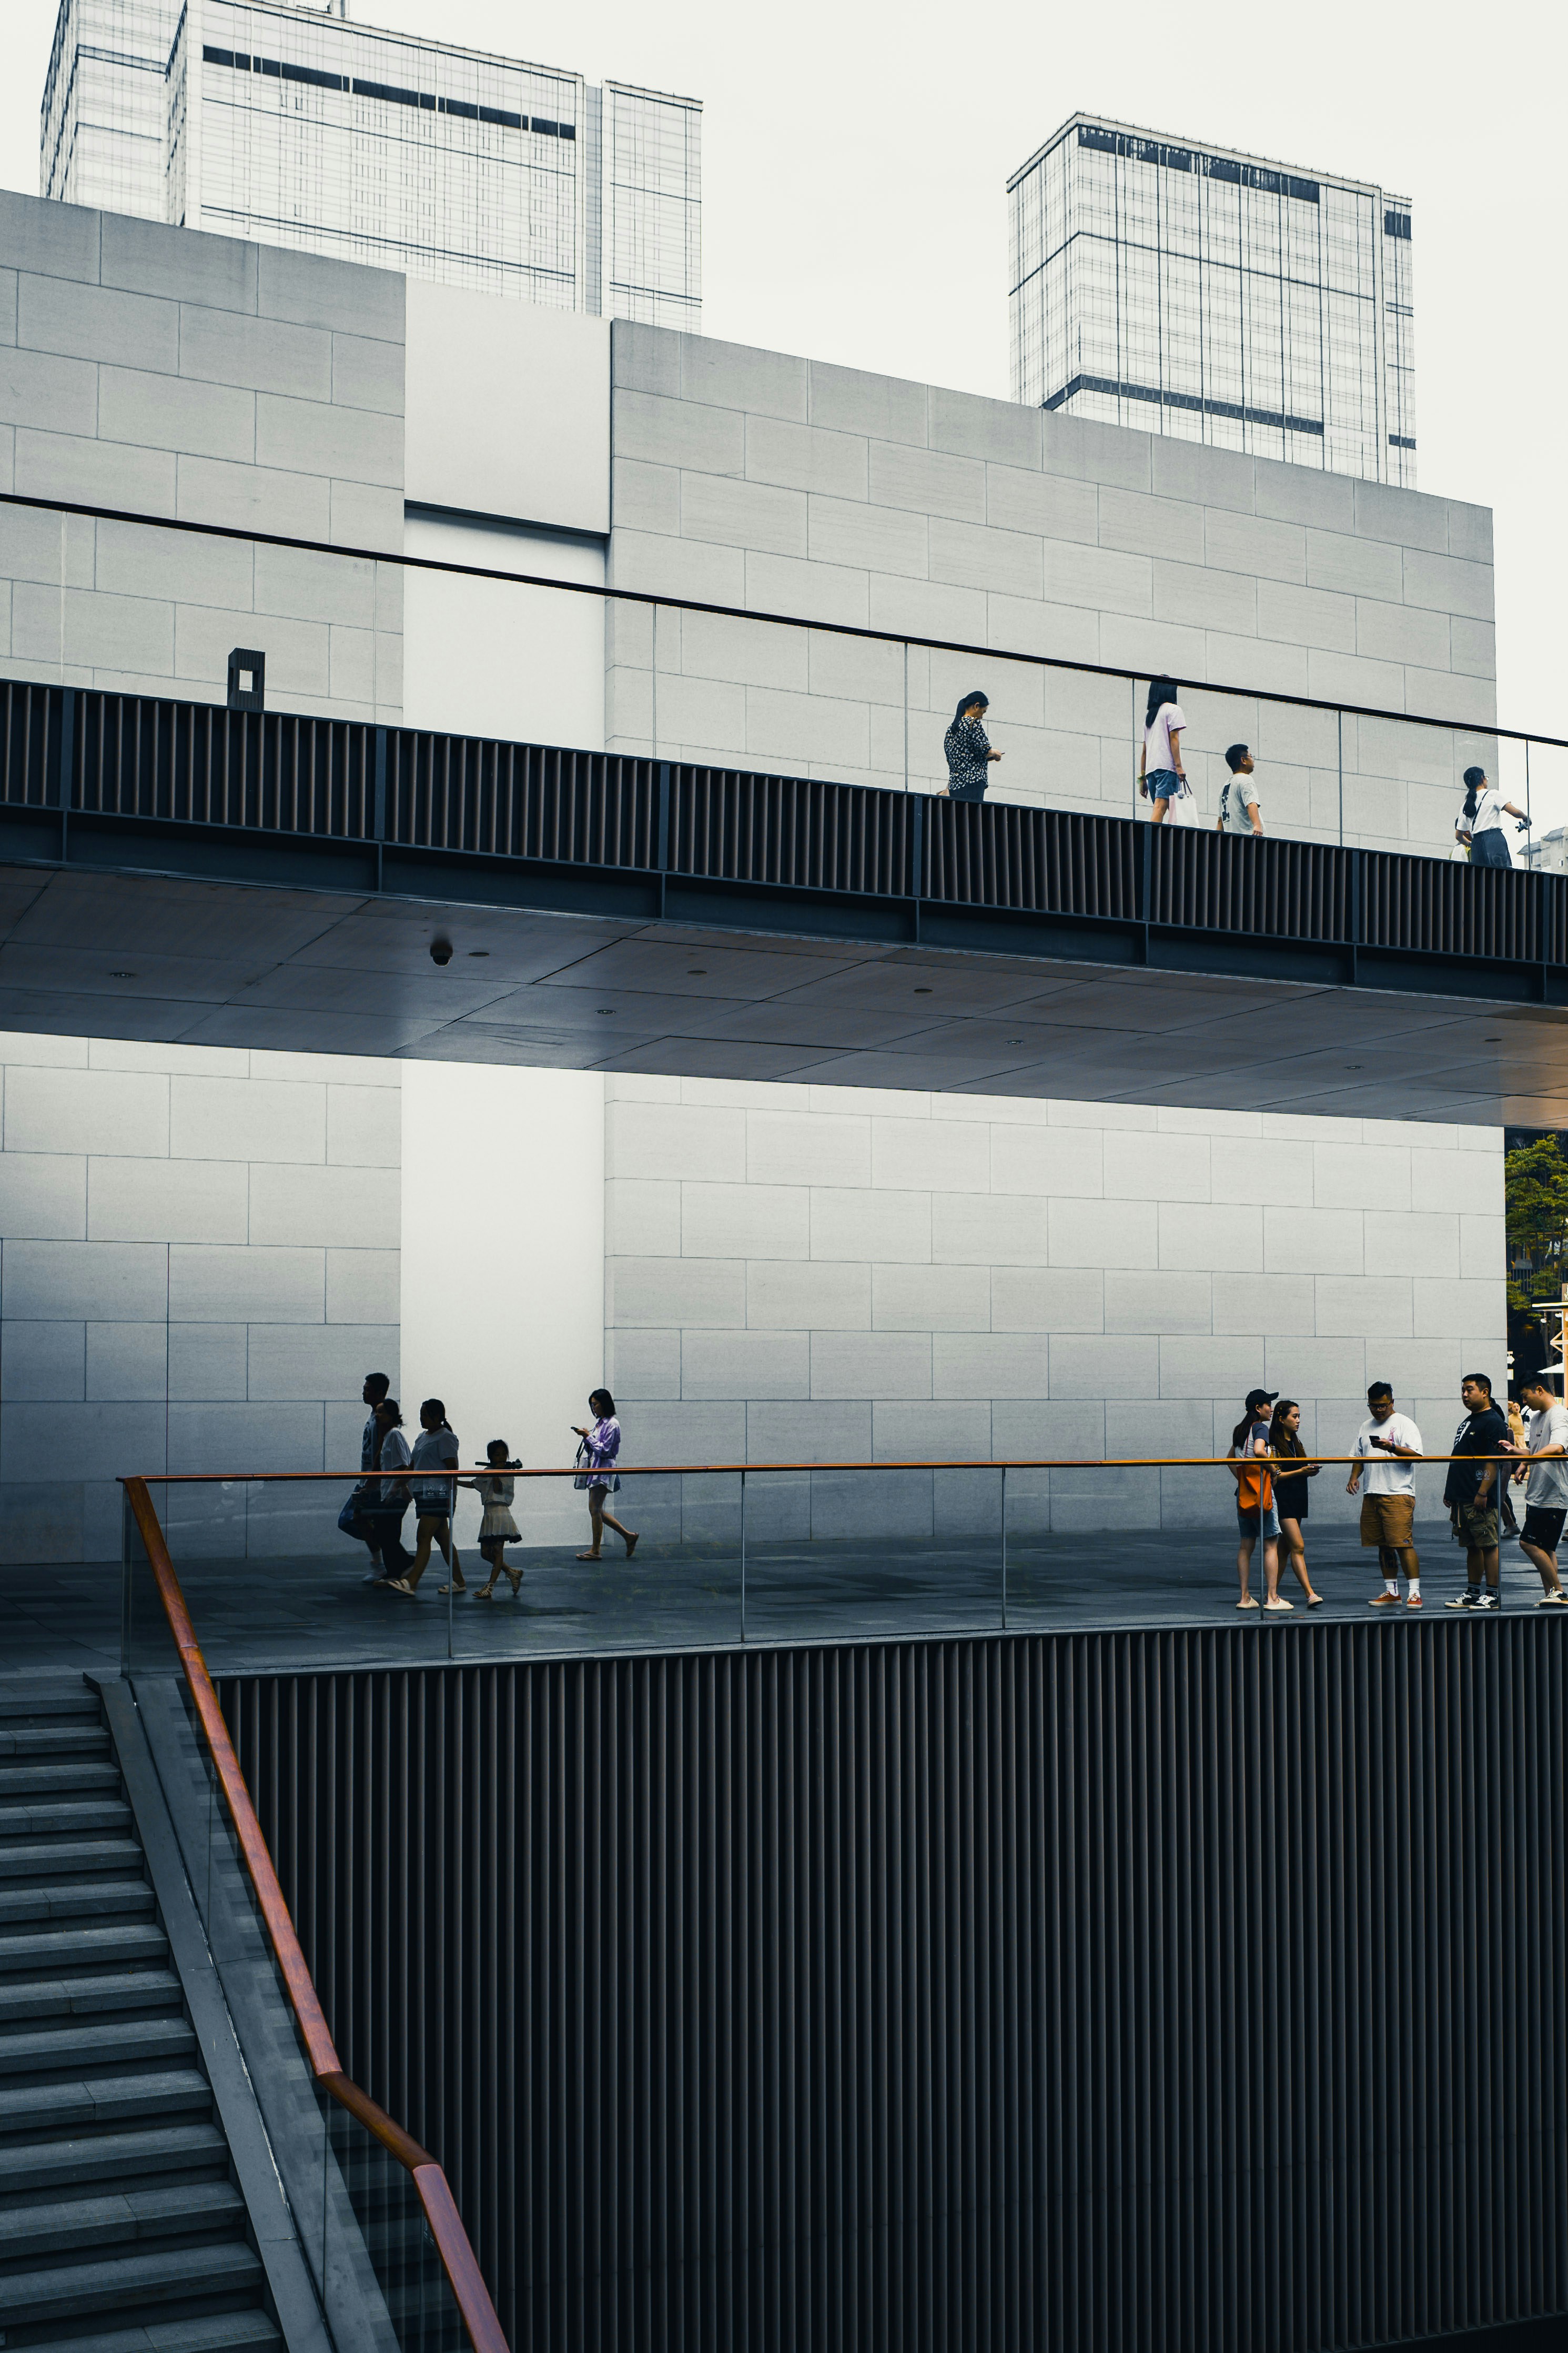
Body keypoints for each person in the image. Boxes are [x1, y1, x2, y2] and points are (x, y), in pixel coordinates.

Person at [1347, 1382, 1424, 1606]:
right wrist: (1354, 1477)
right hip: (1372, 1492)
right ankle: (1392, 1591)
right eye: (1373, 1406)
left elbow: (1417, 1456)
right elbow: (1359, 1456)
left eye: (1383, 1405)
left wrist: (1391, 1447)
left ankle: (1415, 1592)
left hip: (1398, 1493)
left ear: (1392, 1402)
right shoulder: (1365, 1426)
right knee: (1383, 1545)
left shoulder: (1405, 1424)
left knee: (1403, 1543)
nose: (1379, 1410)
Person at [1442, 1372, 1510, 1610]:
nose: (1464, 1394)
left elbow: (1493, 1460)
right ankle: (1473, 1592)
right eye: (1463, 1390)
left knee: (1488, 1544)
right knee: (1471, 1546)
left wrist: (1483, 1492)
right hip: (1463, 1496)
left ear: (1485, 1392)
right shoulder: (1470, 1420)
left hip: (1479, 1496)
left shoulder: (1493, 1421)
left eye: (1469, 1389)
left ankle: (1492, 1594)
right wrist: (1451, 1492)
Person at [387, 1399, 463, 1596]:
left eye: (425, 1415)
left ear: (437, 1417)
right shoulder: (422, 1437)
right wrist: (397, 1485)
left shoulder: (445, 1438)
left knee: (423, 1536)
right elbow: (412, 1467)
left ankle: (412, 1582)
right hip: (424, 1494)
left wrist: (452, 1498)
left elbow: (452, 1470)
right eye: (421, 1414)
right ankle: (459, 1581)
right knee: (443, 1539)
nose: (421, 1418)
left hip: (438, 1493)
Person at [1227, 1387, 1288, 1611]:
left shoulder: (1240, 1430)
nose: (1271, 1409)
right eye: (1268, 1405)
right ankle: (1272, 1599)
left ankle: (1245, 1598)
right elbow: (1261, 1451)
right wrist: (1274, 1470)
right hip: (1262, 1494)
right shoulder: (1260, 1428)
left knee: (1246, 1546)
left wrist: (1243, 1480)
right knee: (1271, 1545)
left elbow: (1229, 1459)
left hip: (1244, 1495)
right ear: (1258, 1408)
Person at [1510, 1374, 1568, 1604]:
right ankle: (1551, 1595)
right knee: (1546, 1548)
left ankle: (1559, 1591)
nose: (1524, 1402)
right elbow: (1536, 1451)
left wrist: (1527, 1461)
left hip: (1553, 1493)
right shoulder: (1536, 1418)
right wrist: (1517, 1453)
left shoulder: (1559, 1414)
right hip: (1537, 1492)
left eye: (1526, 1396)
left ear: (1540, 1390)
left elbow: (1557, 1447)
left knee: (1528, 1543)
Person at [572, 1389, 639, 1562]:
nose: (593, 1408)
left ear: (604, 1404)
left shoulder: (612, 1424)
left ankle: (596, 1550)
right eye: (592, 1405)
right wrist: (587, 1437)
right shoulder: (601, 1423)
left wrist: (588, 1437)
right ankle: (628, 1536)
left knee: (595, 1509)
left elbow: (606, 1451)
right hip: (596, 1470)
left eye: (595, 1404)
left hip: (603, 1470)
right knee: (597, 1509)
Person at [1269, 1399, 1322, 1604]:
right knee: (1298, 1546)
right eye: (1294, 1416)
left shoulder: (1296, 1443)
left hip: (1298, 1499)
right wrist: (1301, 1471)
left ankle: (1271, 1594)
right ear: (1281, 1419)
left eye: (1299, 1416)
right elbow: (1276, 1476)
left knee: (1284, 1549)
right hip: (1284, 1501)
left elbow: (1298, 1470)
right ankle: (1310, 1594)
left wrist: (1309, 1470)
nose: (1298, 1420)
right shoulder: (1273, 1445)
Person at [343, 1371, 391, 1582]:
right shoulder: (373, 1415)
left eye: (368, 1389)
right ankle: (383, 1561)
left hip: (373, 1482)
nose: (363, 1393)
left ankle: (381, 1563)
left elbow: (381, 1452)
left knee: (357, 1518)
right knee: (357, 1520)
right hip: (367, 1479)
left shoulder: (381, 1418)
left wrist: (372, 1480)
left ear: (380, 1393)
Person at [464, 1441, 523, 1600]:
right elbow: (475, 1484)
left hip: (501, 1513)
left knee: (497, 1551)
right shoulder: (488, 1471)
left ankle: (489, 1587)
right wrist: (453, 1482)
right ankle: (512, 1572)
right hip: (489, 1513)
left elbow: (498, 1490)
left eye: (504, 1454)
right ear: (490, 1457)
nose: (502, 1457)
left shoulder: (508, 1472)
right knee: (485, 1553)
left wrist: (497, 1473)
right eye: (497, 1455)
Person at [363, 1397, 412, 1584]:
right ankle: (395, 1573)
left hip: (396, 1494)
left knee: (384, 1532)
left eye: (381, 1412)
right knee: (388, 1533)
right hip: (390, 1493)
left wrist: (399, 1488)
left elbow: (403, 1465)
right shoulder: (387, 1437)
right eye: (376, 1412)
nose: (377, 1415)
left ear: (391, 1415)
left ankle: (406, 1563)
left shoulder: (394, 1435)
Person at [1455, 767, 1527, 869]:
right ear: (1482, 778)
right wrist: (1525, 818)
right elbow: (1515, 812)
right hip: (1494, 840)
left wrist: (1471, 845)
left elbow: (1458, 836)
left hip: (1477, 845)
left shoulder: (1465, 806)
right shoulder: (1492, 794)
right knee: (1502, 874)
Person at [1138, 677, 1187, 823]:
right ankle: (1151, 836)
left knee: (1168, 808)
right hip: (1166, 768)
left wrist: (1142, 779)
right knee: (1161, 807)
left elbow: (1145, 751)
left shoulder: (1150, 717)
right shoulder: (1173, 710)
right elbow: (1174, 739)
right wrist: (1179, 767)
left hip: (1151, 770)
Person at [944, 691, 1002, 802]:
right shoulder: (973, 723)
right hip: (973, 780)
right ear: (976, 706)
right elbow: (984, 750)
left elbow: (959, 755)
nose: (982, 717)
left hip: (955, 784)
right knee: (973, 811)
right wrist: (995, 753)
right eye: (983, 712)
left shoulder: (951, 729)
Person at [1218, 745, 1262, 838]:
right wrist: (1257, 825)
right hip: (1249, 838)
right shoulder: (1246, 779)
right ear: (1243, 760)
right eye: (1251, 756)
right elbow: (1251, 804)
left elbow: (1220, 821)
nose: (1253, 760)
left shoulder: (1224, 788)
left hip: (1231, 841)